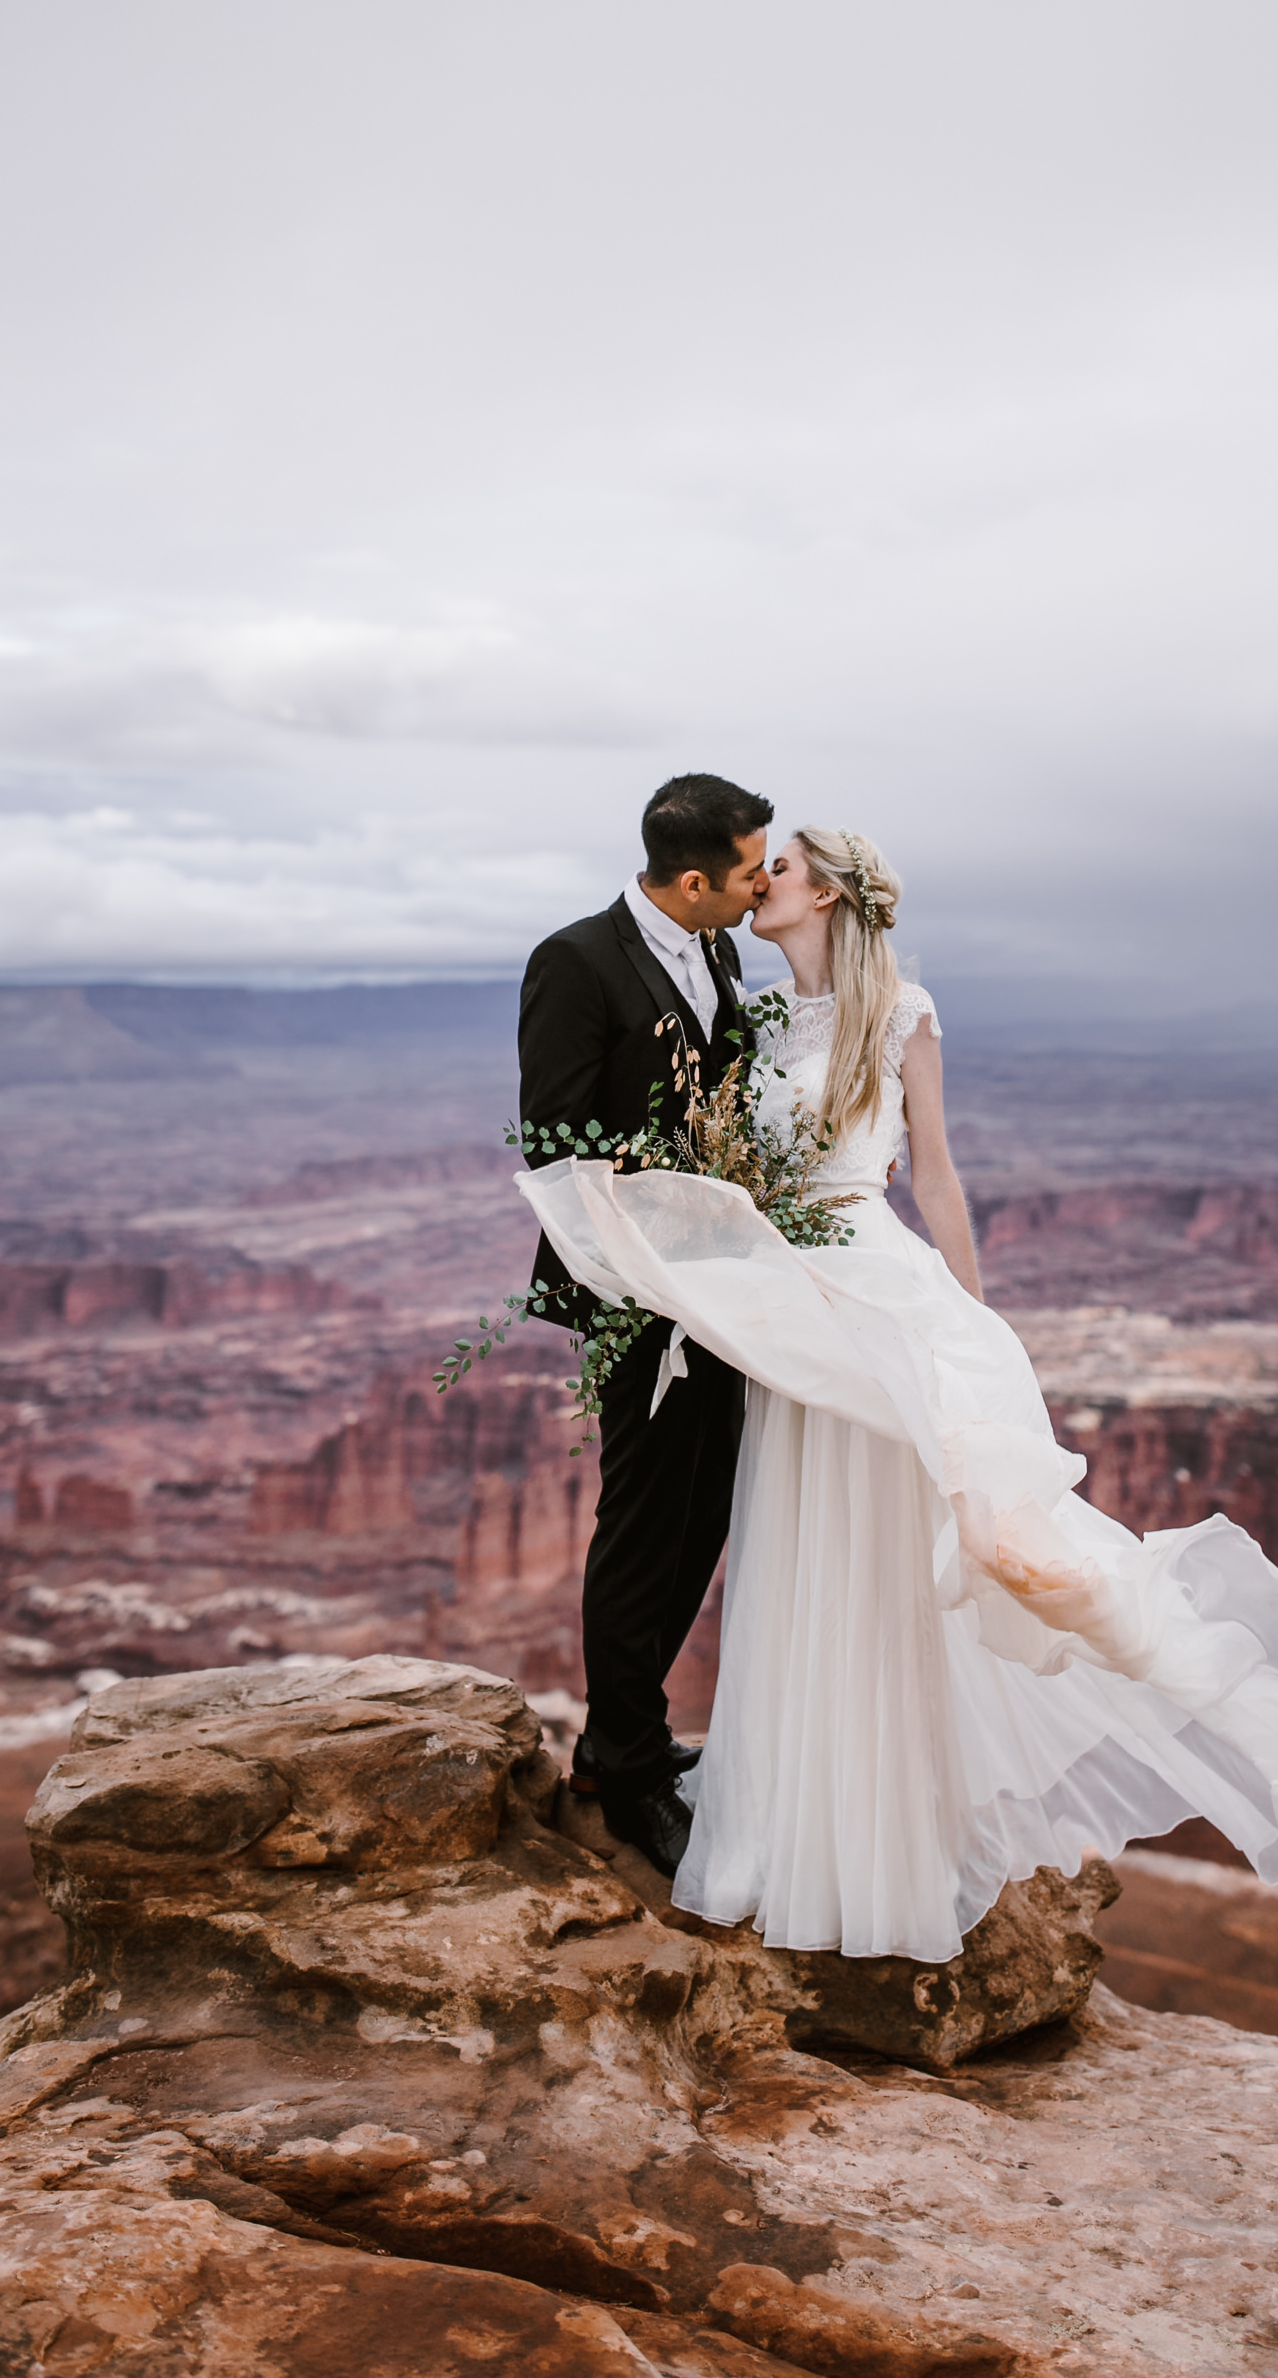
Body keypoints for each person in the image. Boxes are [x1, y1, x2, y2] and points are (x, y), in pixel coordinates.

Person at [519, 824, 1278, 1962]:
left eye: (780, 872)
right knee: (801, 1557)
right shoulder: (752, 1013)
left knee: (893, 1558)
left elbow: (939, 1172)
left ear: (828, 897)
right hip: (788, 1317)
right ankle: (797, 1823)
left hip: (875, 1300)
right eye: (755, 869)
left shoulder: (902, 1014)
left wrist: (971, 1313)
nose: (759, 885)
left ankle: (892, 1845)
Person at [515, 770, 772, 1871]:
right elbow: (552, 1141)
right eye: (751, 870)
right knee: (642, 1520)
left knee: (704, 1508)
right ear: (693, 878)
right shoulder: (574, 962)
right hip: (633, 1288)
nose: (764, 888)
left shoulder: (714, 951)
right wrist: (677, 1204)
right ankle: (617, 1767)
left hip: (717, 1283)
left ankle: (632, 1734)